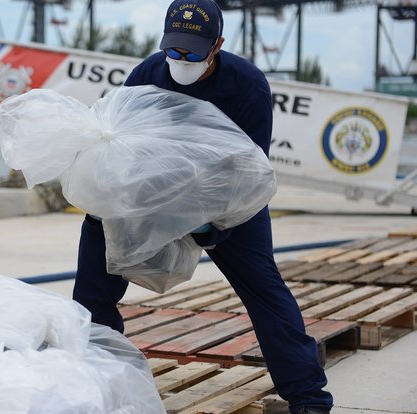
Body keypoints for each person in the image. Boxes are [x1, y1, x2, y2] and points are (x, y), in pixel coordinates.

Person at [71, 1, 333, 413]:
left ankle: (308, 397)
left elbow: (251, 175)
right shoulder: (148, 74)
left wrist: (216, 226)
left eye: (192, 52)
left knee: (264, 289)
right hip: (155, 191)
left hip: (227, 199)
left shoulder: (247, 86)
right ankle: (98, 378)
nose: (181, 61)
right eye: (173, 50)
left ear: (217, 46)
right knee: (94, 268)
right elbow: (122, 147)